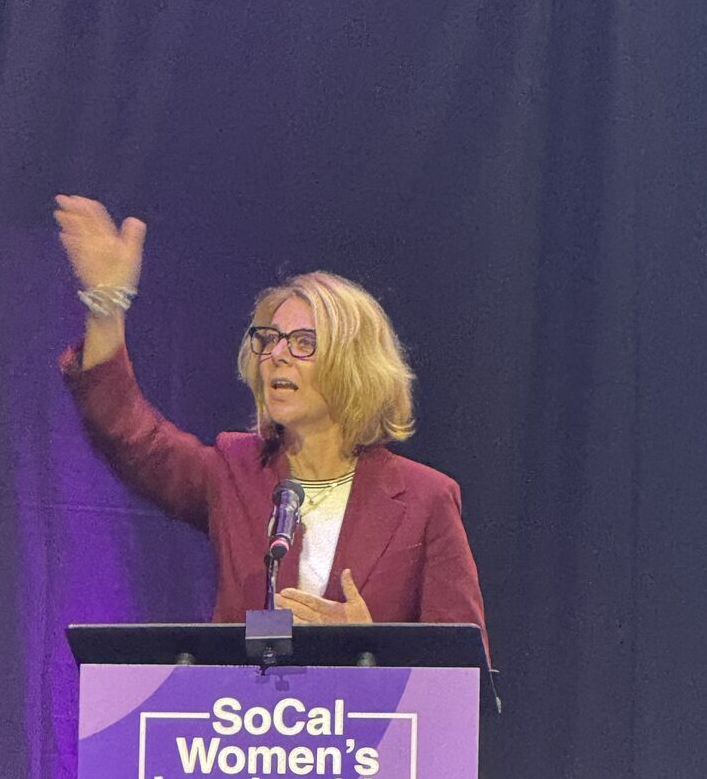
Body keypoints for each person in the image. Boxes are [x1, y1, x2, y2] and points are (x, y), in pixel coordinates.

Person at [54, 195, 487, 638]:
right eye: (270, 339)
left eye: (302, 342)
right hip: (244, 708)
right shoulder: (233, 471)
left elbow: (462, 677)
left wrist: (375, 648)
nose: (277, 355)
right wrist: (106, 307)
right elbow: (129, 433)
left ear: (356, 366)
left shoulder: (425, 499)